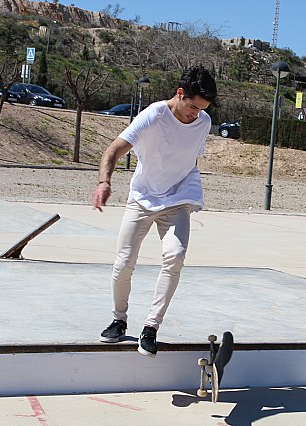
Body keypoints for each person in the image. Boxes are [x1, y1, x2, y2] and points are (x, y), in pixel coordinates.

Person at [92, 66, 217, 358]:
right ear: (180, 93)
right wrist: (103, 182)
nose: (196, 115)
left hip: (178, 199)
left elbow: (187, 159)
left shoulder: (203, 122)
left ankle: (151, 327)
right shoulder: (153, 115)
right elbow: (112, 151)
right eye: (193, 107)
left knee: (175, 256)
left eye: (202, 110)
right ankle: (119, 320)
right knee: (124, 262)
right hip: (142, 197)